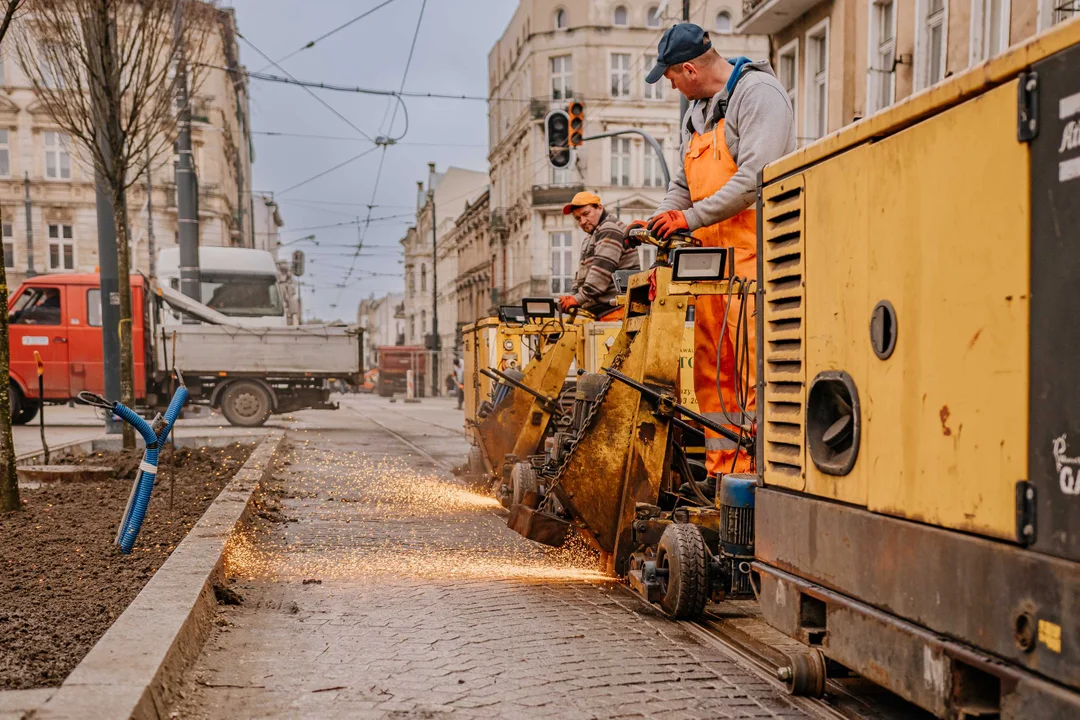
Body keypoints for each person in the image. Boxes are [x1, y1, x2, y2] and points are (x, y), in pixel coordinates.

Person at [636, 23, 795, 488]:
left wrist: (687, 220)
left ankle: (760, 477)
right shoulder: (697, 114)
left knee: (751, 372)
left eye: (669, 75)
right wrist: (661, 218)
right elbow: (682, 186)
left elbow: (753, 180)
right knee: (713, 373)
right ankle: (725, 474)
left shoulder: (758, 94)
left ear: (689, 68)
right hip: (712, 269)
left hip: (756, 263)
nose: (668, 84)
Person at [557, 191, 640, 319]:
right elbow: (581, 274)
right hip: (604, 311)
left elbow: (600, 273)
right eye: (578, 218)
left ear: (599, 207)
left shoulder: (609, 229)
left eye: (586, 214)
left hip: (616, 311)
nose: (583, 221)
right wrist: (571, 296)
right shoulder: (590, 237)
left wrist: (577, 299)